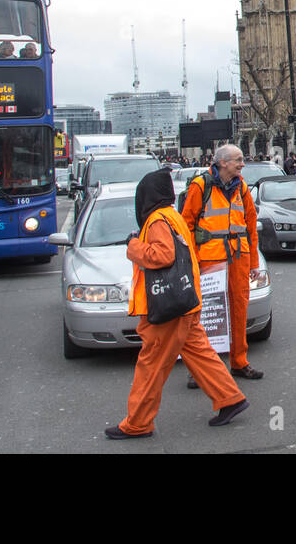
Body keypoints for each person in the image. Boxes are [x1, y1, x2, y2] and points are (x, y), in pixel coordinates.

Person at [105, 170, 248, 438]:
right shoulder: (173, 216)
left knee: (151, 366)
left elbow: (163, 255)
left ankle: (137, 424)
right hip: (185, 301)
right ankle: (230, 398)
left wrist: (133, 246)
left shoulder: (157, 220)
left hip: (167, 307)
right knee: (200, 355)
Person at [180, 144, 263, 381]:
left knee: (239, 310)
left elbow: (251, 227)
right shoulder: (200, 186)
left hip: (238, 258)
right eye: (238, 160)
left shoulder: (242, 188)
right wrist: (192, 261)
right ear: (223, 162)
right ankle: (201, 370)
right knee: (208, 316)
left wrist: (254, 264)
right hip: (209, 260)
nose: (242, 163)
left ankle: (239, 361)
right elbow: (186, 225)